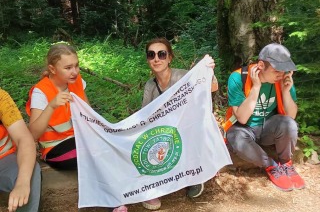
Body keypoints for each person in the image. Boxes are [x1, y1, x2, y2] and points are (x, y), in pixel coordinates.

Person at [25, 43, 127, 212]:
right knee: (94, 154)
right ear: (52, 69)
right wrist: (51, 106)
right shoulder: (40, 91)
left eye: (76, 65)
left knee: (114, 145)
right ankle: (113, 204)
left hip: (80, 139)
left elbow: (88, 114)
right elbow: (33, 133)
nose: (75, 71)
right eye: (68, 67)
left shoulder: (76, 81)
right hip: (55, 149)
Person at [141, 38, 219, 210]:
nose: (156, 59)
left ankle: (194, 176)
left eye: (162, 54)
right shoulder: (150, 86)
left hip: (189, 129)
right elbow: (144, 117)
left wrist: (209, 72)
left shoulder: (183, 76)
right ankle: (154, 185)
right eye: (151, 55)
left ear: (170, 57)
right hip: (165, 133)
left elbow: (211, 88)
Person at [224, 43, 305, 191]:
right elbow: (241, 118)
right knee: (236, 138)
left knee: (289, 124)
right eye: (276, 71)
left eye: (283, 71)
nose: (281, 75)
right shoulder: (237, 77)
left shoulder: (282, 80)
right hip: (243, 128)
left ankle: (286, 164)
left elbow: (291, 117)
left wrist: (286, 91)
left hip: (268, 127)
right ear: (261, 65)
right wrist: (256, 87)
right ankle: (271, 166)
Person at [0, 89, 41, 212]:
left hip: (3, 161)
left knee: (29, 170)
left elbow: (24, 139)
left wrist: (22, 183)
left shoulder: (1, 98)